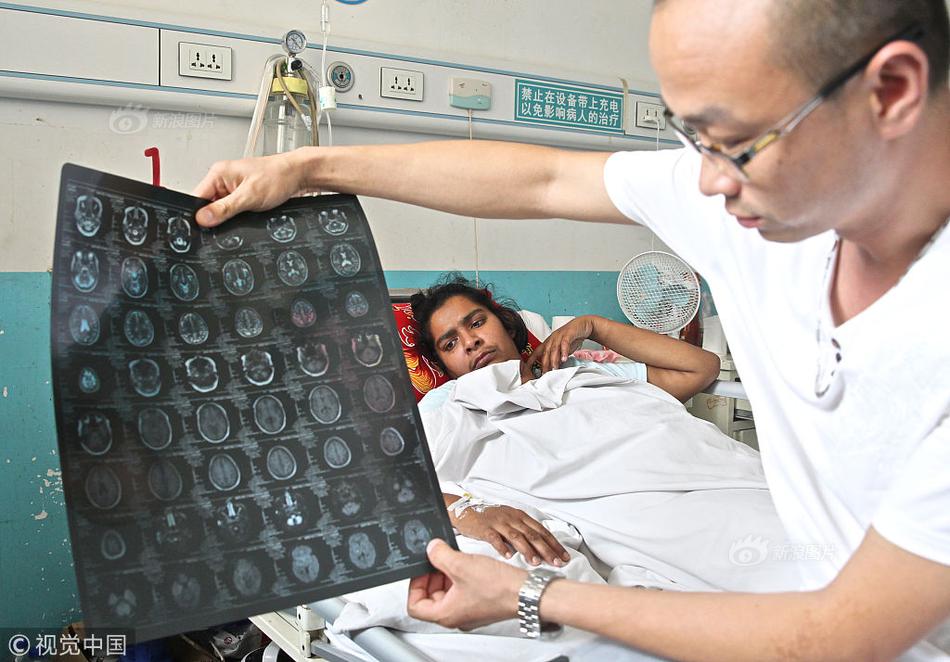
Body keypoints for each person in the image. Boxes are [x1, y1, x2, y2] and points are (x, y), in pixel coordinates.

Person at [193, 0, 950, 657]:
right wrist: (307, 168)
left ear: (891, 91)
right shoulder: (752, 197)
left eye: (734, 139)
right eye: (691, 139)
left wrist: (530, 596)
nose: (708, 182)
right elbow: (543, 179)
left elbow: (842, 636)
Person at [409, 277, 796, 594]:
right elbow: (392, 483)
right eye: (451, 343)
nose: (470, 341)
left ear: (506, 323)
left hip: (708, 468)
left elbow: (702, 367)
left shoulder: (579, 369)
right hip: (636, 505)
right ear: (444, 364)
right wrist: (465, 512)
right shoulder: (448, 404)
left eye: (476, 323)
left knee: (803, 526)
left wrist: (593, 325)